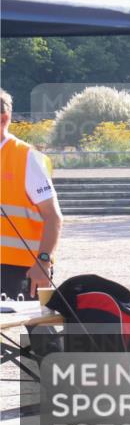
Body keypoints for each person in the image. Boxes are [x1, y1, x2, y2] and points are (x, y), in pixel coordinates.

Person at [0, 89, 63, 300]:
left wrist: (43, 262)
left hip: (25, 268)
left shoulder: (27, 157)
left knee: (42, 331)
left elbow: (53, 217)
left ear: (4, 118)